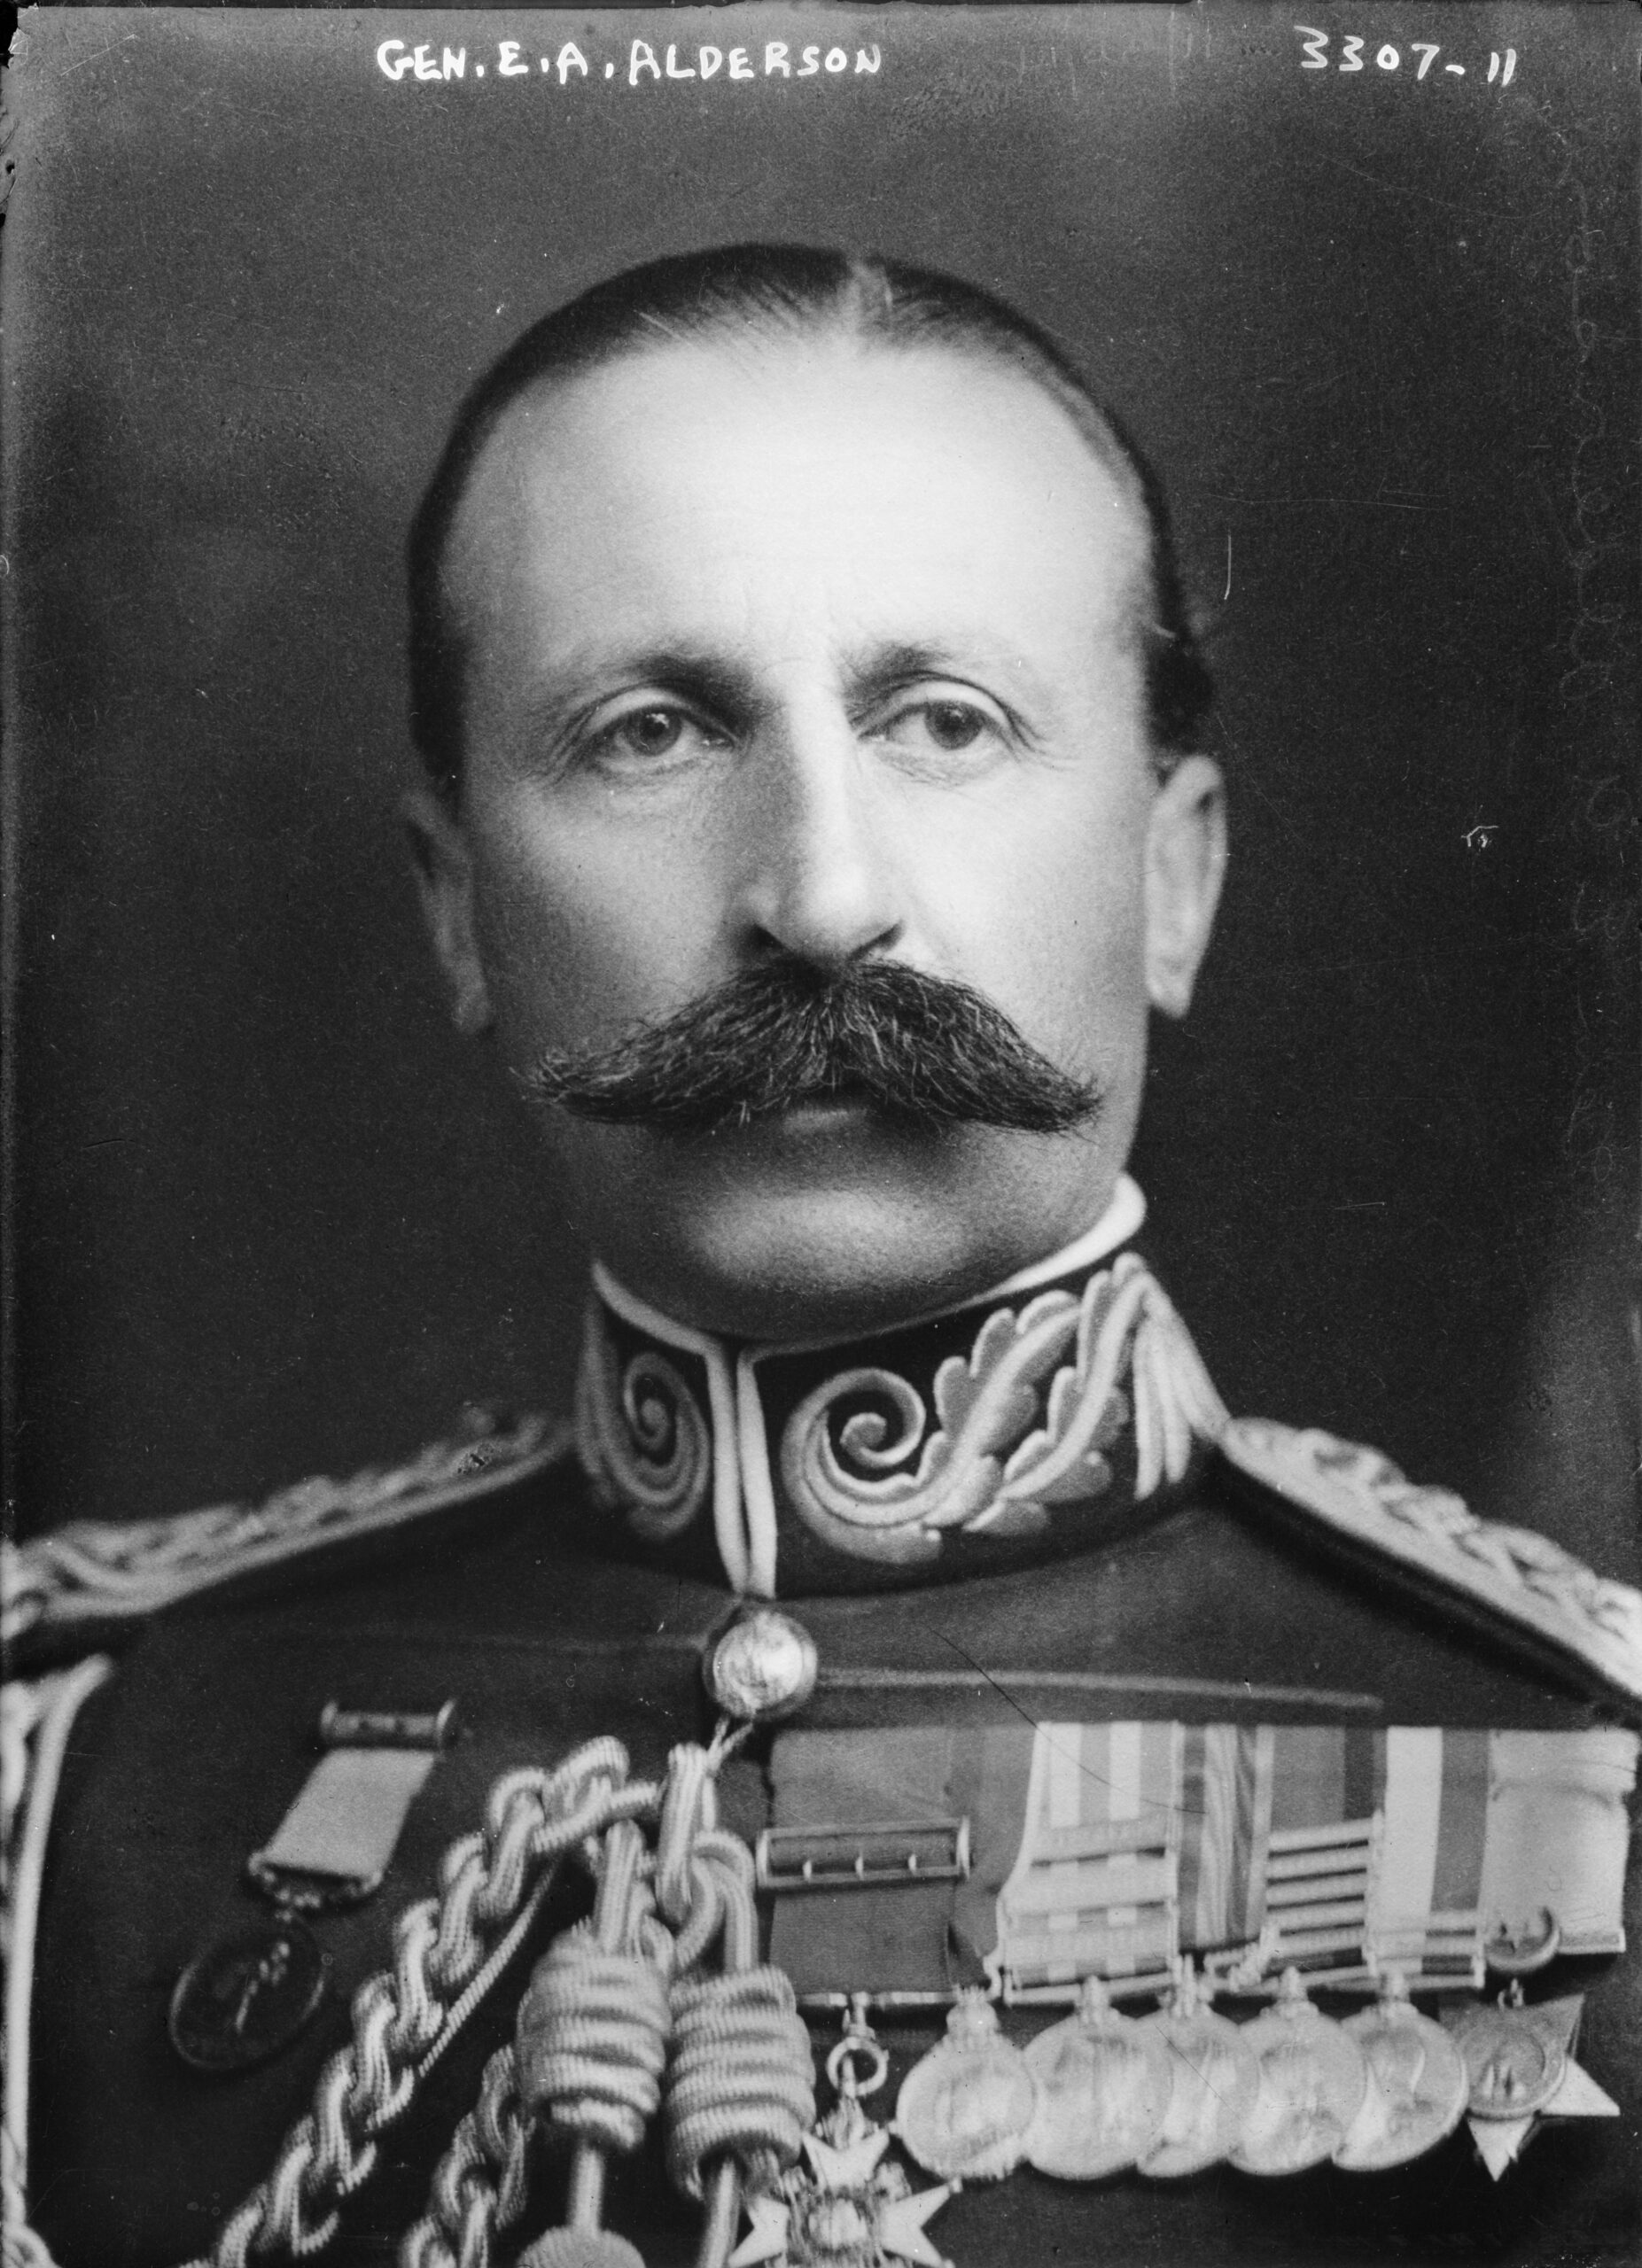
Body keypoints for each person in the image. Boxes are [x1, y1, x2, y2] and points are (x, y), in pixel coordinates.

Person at [5, 245, 1638, 2268]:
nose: (823, 893)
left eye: (946, 719)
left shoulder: (1584, 1773)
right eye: (651, 729)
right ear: (454, 910)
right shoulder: (76, 1766)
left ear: (1175, 877)